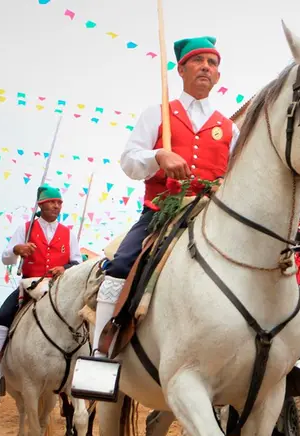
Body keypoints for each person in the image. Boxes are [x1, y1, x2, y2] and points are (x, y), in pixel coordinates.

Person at [93, 36, 239, 361]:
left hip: (213, 218)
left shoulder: (229, 128)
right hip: (161, 214)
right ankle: (100, 355)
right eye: (198, 61)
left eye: (212, 63)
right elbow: (129, 162)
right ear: (181, 68)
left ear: (217, 76)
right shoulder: (157, 114)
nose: (206, 67)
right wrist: (159, 155)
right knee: (119, 267)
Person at [0, 185, 82, 384]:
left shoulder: (68, 233)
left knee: (83, 318)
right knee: (1, 317)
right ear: (41, 204)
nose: (57, 206)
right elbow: (6, 258)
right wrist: (17, 248)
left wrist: (65, 268)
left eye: (59, 203)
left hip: (59, 288)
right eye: (52, 202)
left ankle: (84, 366)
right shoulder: (26, 228)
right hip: (31, 285)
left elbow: (77, 261)